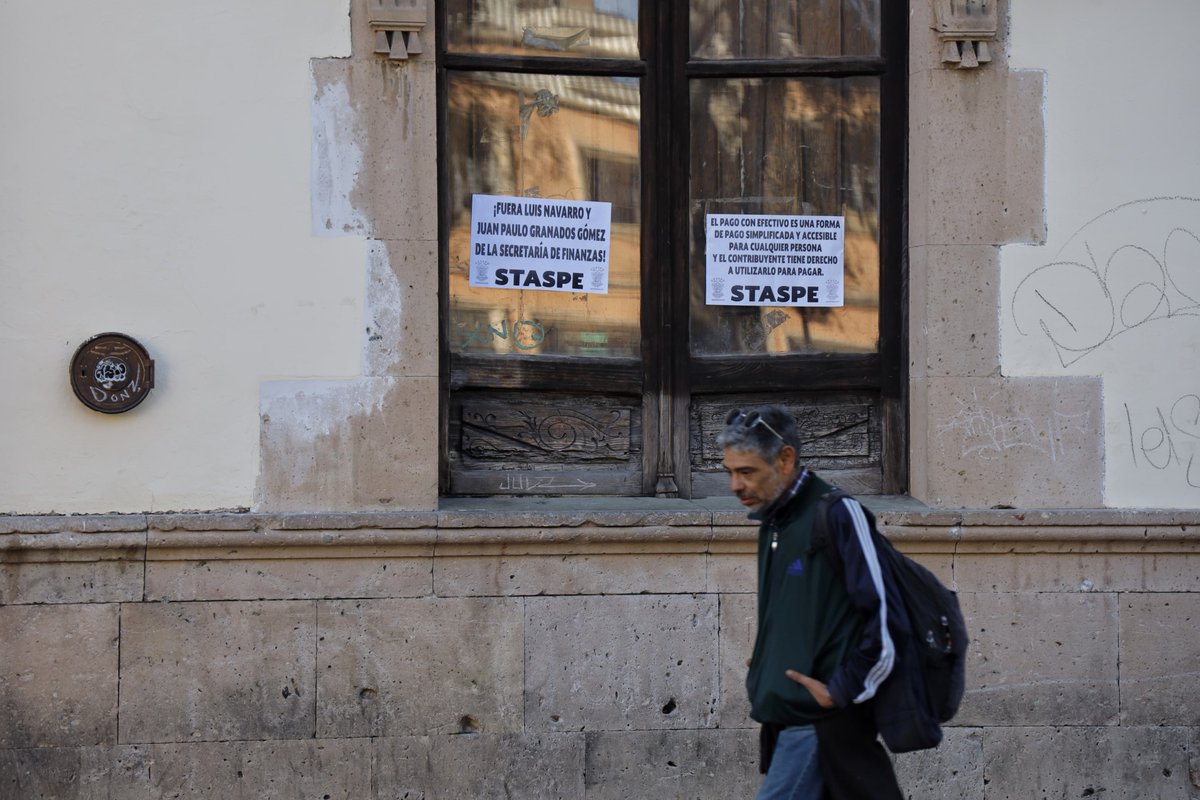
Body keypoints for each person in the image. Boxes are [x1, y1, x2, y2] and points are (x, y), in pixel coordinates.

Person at [719, 405, 904, 800]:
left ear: (785, 458)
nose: (735, 485)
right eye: (730, 473)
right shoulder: (772, 522)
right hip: (784, 717)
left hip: (819, 722)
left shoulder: (837, 514)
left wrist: (841, 690)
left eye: (746, 471)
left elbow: (887, 615)